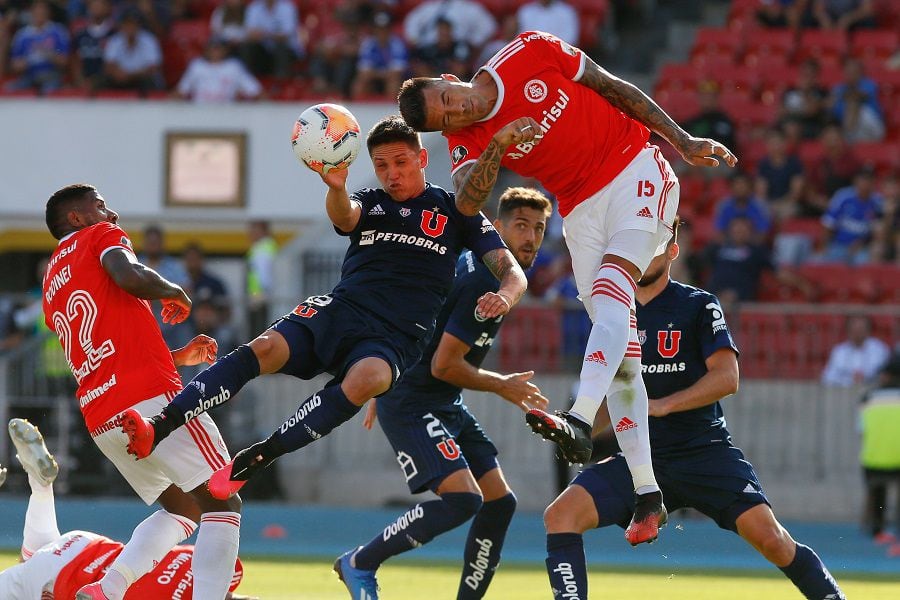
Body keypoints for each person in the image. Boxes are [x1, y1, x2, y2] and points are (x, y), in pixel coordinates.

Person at [397, 30, 737, 545]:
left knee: (613, 287)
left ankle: (579, 417)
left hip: (634, 170)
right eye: (447, 119)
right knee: (619, 344)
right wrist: (499, 143)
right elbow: (468, 202)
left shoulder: (529, 50)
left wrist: (681, 139)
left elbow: (612, 86)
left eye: (450, 99)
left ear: (450, 79)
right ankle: (648, 494)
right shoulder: (469, 136)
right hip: (580, 210)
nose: (458, 113)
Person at [122, 116, 526, 507]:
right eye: (382, 166)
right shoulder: (371, 201)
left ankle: (262, 454)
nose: (391, 175)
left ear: (422, 160)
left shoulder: (456, 211)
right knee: (265, 347)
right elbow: (345, 215)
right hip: (342, 309)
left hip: (396, 336)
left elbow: (512, 272)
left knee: (369, 377)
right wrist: (335, 187)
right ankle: (158, 426)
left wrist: (505, 296)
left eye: (401, 163)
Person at [541, 219, 846, 600]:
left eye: (654, 245)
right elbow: (610, 391)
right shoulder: (612, 315)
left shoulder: (699, 304)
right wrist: (576, 425)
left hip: (704, 453)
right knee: (560, 516)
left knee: (773, 541)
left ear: (672, 251)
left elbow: (727, 377)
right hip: (640, 462)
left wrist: (665, 405)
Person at [337, 187, 551, 599]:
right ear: (497, 226)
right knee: (463, 500)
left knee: (499, 502)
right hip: (414, 401)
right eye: (521, 226)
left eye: (539, 228)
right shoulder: (485, 280)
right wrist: (502, 385)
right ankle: (360, 561)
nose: (530, 237)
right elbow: (445, 364)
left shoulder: (474, 265)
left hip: (437, 397)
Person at [41, 183, 242, 600]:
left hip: (102, 415)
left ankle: (108, 588)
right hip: (151, 404)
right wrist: (175, 290)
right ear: (77, 218)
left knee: (186, 509)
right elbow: (128, 275)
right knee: (225, 499)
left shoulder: (51, 286)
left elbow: (104, 343)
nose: (110, 213)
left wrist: (173, 357)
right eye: (100, 205)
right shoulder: (99, 237)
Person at [0, 419, 255, 600]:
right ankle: (41, 486)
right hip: (62, 576)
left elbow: (218, 569)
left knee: (37, 557)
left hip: (85, 546)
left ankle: (41, 485)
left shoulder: (221, 566)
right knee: (33, 565)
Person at [859, 355, 900, 549]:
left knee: (878, 495)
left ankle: (878, 532)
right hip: (898, 458)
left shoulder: (868, 398)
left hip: (873, 459)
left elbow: (861, 429)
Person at [175, 36, 262, 103]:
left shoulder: (234, 66)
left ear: (226, 50)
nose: (215, 51)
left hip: (228, 114)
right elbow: (181, 91)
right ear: (207, 50)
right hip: (200, 113)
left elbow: (255, 91)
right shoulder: (197, 66)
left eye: (219, 48)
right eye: (213, 48)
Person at [821, 315, 890, 387]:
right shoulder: (839, 351)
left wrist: (866, 379)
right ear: (848, 331)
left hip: (873, 392)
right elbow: (827, 378)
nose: (857, 334)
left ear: (868, 330)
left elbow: (886, 376)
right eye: (854, 330)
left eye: (861, 329)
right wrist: (850, 380)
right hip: (845, 393)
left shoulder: (880, 350)